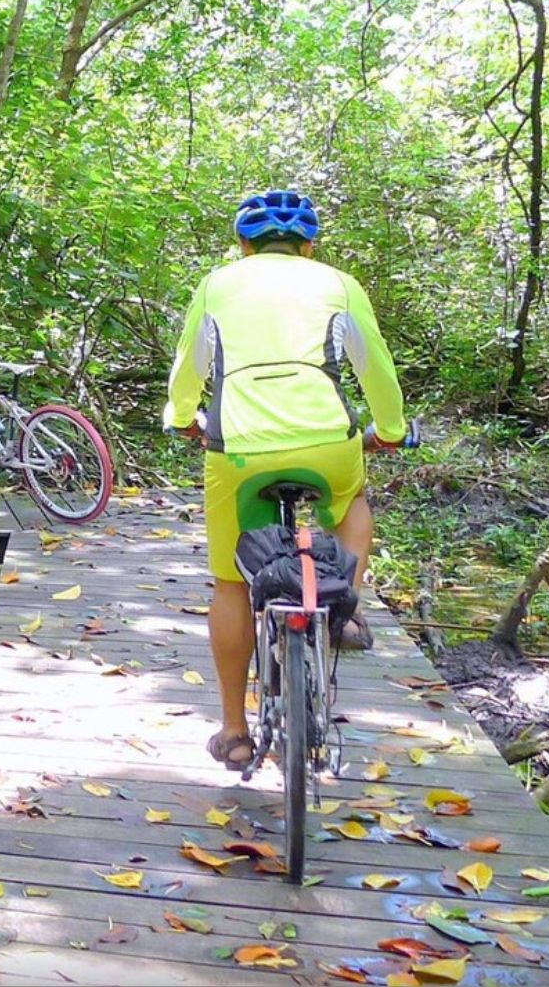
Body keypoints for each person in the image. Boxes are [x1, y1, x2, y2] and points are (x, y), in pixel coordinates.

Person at [163, 189, 406, 771]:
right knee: (350, 502)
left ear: (243, 246)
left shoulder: (216, 284)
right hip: (327, 441)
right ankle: (342, 605)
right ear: (309, 246)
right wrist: (390, 431)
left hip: (237, 447)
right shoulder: (339, 283)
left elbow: (187, 371)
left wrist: (182, 420)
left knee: (228, 583)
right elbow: (375, 366)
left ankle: (234, 731)